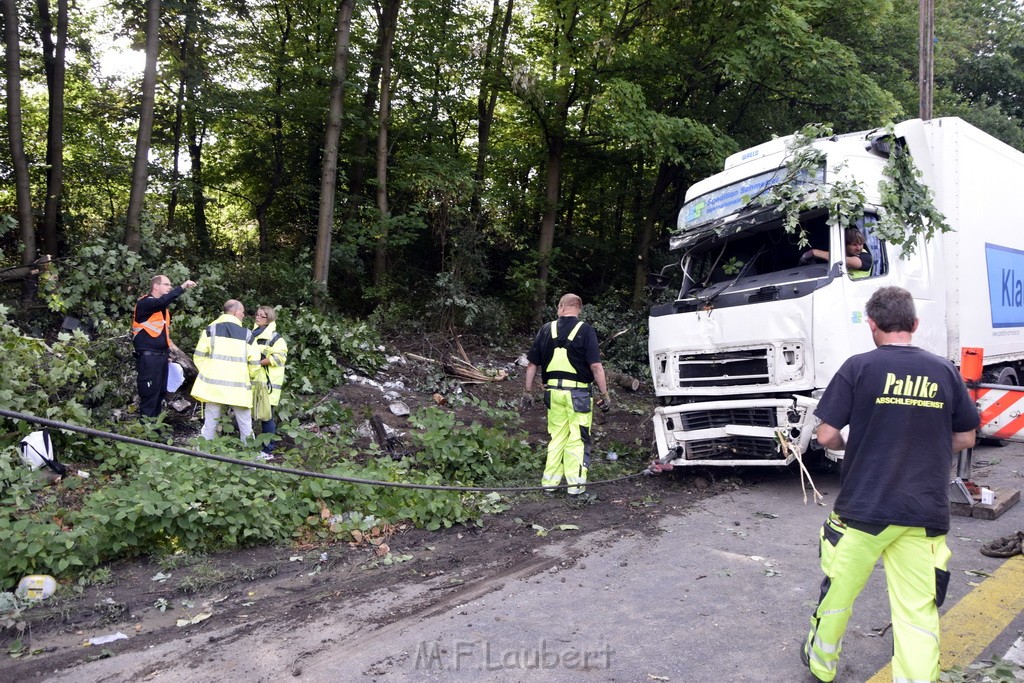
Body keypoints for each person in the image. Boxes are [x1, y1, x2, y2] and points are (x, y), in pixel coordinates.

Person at [801, 286, 979, 683]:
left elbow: (827, 435)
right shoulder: (945, 370)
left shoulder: (858, 367)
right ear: (915, 324)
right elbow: (966, 437)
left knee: (837, 597)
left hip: (863, 510)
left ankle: (821, 665)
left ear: (871, 325)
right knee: (918, 612)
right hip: (924, 512)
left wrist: (856, 444)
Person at [522, 293, 610, 498]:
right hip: (578, 395)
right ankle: (575, 487)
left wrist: (527, 391)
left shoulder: (546, 329)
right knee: (577, 439)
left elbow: (532, 364)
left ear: (561, 307)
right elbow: (596, 366)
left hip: (553, 394)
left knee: (557, 437)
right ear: (578, 309)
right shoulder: (585, 330)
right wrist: (605, 394)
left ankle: (550, 485)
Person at [191, 300, 262, 441]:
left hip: (214, 387)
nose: (243, 315)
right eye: (242, 312)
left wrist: (209, 372)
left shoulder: (211, 330)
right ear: (235, 312)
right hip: (239, 388)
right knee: (245, 426)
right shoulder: (247, 334)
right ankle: (250, 459)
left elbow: (198, 357)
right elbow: (255, 363)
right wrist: (249, 377)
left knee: (210, 424)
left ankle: (202, 456)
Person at [132, 274, 197, 417]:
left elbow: (163, 335)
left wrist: (167, 354)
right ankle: (145, 432)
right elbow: (162, 301)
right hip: (148, 359)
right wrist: (182, 287)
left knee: (160, 394)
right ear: (156, 286)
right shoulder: (145, 303)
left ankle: (154, 430)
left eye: (170, 285)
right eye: (166, 284)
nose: (170, 287)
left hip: (161, 358)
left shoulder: (163, 311)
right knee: (149, 395)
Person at [252, 306, 288, 458]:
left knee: (267, 417)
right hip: (255, 382)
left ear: (270, 319)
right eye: (257, 315)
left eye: (262, 316)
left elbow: (279, 358)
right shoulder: (253, 334)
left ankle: (268, 450)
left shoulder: (276, 338)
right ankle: (252, 445)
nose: (258, 318)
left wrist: (258, 363)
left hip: (268, 384)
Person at [800, 227, 873, 278]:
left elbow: (843, 260)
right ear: (845, 245)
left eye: (861, 244)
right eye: (854, 245)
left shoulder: (866, 258)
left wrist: (814, 252)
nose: (858, 248)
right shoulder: (845, 253)